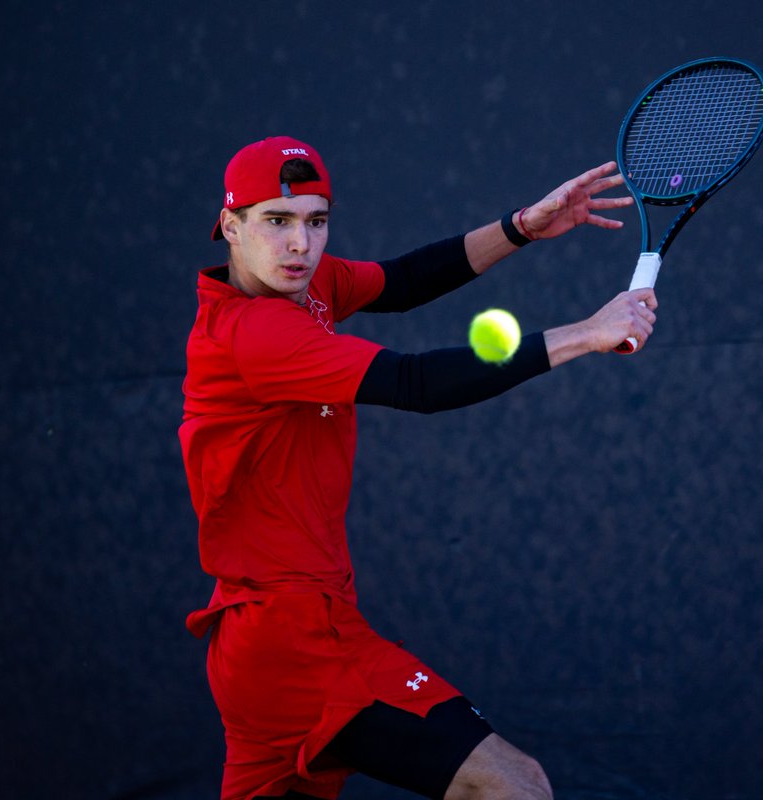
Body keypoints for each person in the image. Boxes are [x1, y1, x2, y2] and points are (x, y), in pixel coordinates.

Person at [179, 135, 658, 800]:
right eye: (277, 222)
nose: (300, 245)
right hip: (295, 638)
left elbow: (401, 282)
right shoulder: (255, 333)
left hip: (255, 646)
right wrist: (587, 332)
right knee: (515, 787)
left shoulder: (303, 286)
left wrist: (522, 227)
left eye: (316, 222)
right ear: (231, 227)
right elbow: (416, 384)